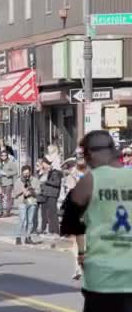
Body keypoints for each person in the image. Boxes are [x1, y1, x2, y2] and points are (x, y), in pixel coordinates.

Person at [61, 130, 132, 311]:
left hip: (102, 277)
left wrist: (82, 252)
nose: (85, 159)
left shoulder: (92, 180)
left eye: (84, 154)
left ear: (92, 153)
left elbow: (70, 221)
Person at [13, 165, 40, 245]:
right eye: (24, 174)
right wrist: (22, 191)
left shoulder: (35, 180)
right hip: (22, 202)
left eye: (28, 173)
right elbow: (15, 193)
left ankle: (28, 237)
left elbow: (38, 191)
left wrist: (31, 191)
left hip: (32, 201)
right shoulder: (18, 181)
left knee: (30, 221)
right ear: (22, 173)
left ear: (30, 172)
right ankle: (18, 237)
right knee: (22, 219)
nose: (26, 175)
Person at [37, 157, 62, 236]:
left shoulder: (55, 172)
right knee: (44, 213)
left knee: (52, 213)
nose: (42, 165)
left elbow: (57, 183)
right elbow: (39, 181)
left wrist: (47, 182)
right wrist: (40, 172)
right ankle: (44, 229)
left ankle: (55, 230)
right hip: (44, 194)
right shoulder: (43, 172)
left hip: (52, 194)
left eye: (43, 163)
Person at [0, 151, 18, 217]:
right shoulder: (0, 163)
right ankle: (0, 211)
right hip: (1, 182)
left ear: (7, 156)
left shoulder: (10, 163)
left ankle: (7, 212)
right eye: (2, 155)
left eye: (5, 155)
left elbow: (15, 171)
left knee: (7, 198)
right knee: (0, 197)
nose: (4, 157)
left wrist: (7, 174)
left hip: (8, 182)